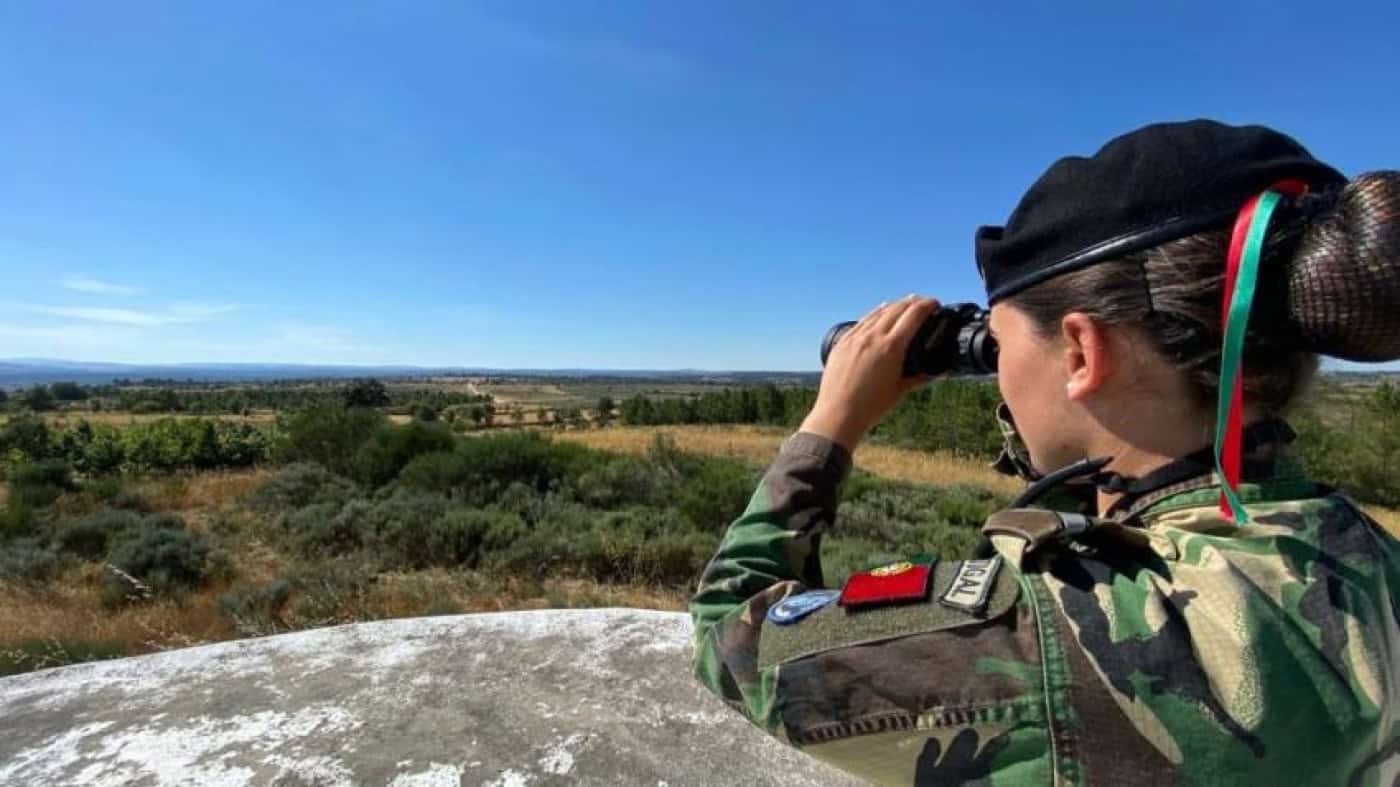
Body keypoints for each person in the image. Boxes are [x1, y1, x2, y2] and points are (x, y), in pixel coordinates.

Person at [689, 120, 1400, 786]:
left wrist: (831, 422)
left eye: (1000, 342)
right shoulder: (1368, 557)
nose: (999, 370)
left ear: (1083, 351)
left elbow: (732, 637)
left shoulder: (1053, 636)